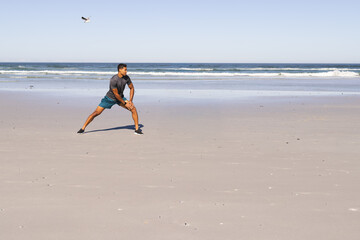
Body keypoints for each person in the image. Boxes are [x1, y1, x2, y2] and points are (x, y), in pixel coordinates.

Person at [77, 63, 143, 135]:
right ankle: (83, 128)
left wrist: (130, 101)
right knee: (96, 113)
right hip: (109, 98)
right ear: (120, 70)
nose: (126, 71)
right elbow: (116, 94)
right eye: (125, 70)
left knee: (133, 109)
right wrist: (125, 103)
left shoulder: (126, 78)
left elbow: (131, 88)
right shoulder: (113, 79)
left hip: (120, 97)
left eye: (126, 70)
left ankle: (137, 129)